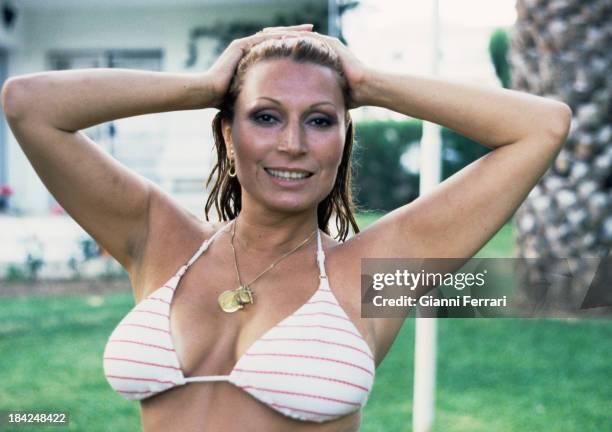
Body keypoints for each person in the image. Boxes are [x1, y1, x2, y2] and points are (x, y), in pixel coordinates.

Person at [1, 23, 571, 431]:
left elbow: (542, 126)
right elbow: (28, 104)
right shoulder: (159, 238)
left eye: (320, 120)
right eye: (265, 116)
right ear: (228, 132)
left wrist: (367, 83)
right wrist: (204, 87)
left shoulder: (373, 273)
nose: (292, 144)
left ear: (346, 137)